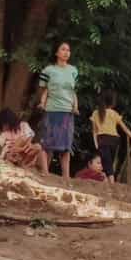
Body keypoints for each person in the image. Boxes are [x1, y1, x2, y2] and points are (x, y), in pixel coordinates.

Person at [38, 41, 79, 181]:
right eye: (63, 49)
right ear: (56, 53)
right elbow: (45, 89)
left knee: (66, 145)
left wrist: (75, 106)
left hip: (67, 111)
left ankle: (66, 176)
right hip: (52, 110)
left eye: (68, 50)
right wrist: (42, 103)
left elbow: (73, 91)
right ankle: (45, 172)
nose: (66, 52)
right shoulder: (48, 70)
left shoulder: (73, 70)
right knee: (47, 142)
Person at [91, 90, 131, 183]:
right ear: (112, 102)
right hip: (114, 140)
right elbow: (124, 128)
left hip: (103, 139)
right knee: (109, 162)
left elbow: (94, 131)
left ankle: (112, 183)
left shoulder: (95, 113)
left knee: (106, 162)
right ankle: (107, 181)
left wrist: (96, 144)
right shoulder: (114, 113)